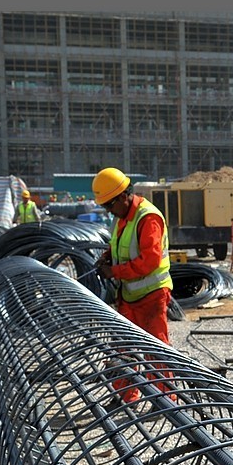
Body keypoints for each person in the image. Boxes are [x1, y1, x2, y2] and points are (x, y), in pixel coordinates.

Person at [91, 167, 174, 403]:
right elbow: (120, 245)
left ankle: (166, 399)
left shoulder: (148, 218)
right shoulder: (122, 217)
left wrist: (114, 271)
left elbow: (149, 261)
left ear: (122, 197)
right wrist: (108, 256)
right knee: (122, 348)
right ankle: (125, 396)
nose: (108, 211)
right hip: (129, 294)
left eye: (109, 205)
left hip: (151, 295)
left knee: (155, 350)